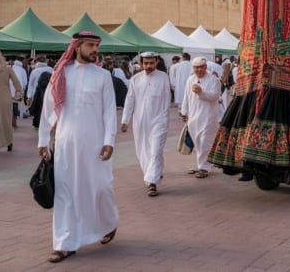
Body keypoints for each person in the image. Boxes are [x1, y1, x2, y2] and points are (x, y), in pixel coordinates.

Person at [37, 31, 118, 263]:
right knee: (66, 192)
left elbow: (109, 111)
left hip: (95, 145)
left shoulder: (103, 76)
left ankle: (108, 223)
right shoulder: (62, 74)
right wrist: (43, 140)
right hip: (66, 143)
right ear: (77, 46)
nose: (95, 50)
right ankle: (64, 243)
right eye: (90, 45)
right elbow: (48, 108)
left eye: (96, 45)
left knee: (101, 189)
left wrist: (109, 140)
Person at [120, 51, 172, 196]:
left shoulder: (163, 78)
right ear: (141, 63)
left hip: (159, 121)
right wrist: (125, 121)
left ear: (156, 62)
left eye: (151, 63)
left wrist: (164, 120)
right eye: (146, 63)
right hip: (140, 122)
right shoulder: (135, 79)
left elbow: (167, 100)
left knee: (155, 150)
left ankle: (151, 182)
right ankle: (156, 172)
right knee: (143, 151)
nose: (148, 66)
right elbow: (129, 100)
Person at [180, 57, 220, 178]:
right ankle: (201, 164)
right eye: (196, 67)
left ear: (205, 67)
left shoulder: (214, 80)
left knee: (204, 141)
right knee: (197, 142)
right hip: (193, 117)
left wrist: (201, 93)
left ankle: (204, 167)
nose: (199, 70)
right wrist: (184, 111)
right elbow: (186, 97)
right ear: (193, 68)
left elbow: (214, 96)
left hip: (208, 117)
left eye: (201, 67)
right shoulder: (190, 80)